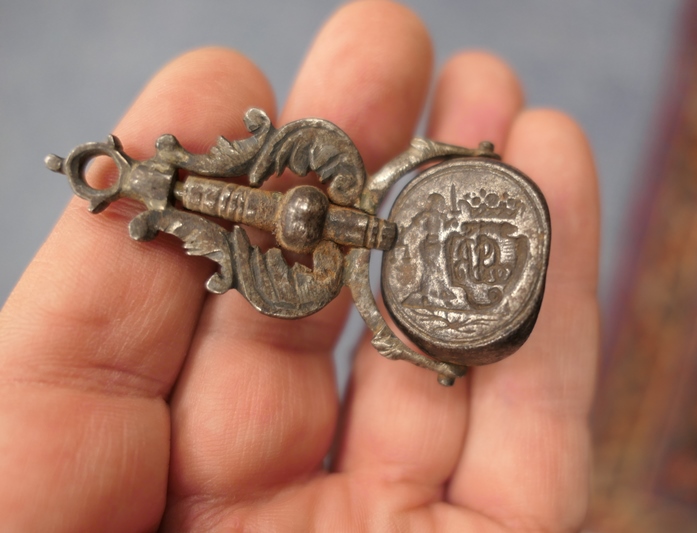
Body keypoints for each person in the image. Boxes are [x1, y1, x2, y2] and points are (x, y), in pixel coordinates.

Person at [0, 0, 599, 530]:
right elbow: (419, 167)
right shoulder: (357, 260)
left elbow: (418, 172)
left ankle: (142, 185)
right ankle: (141, 185)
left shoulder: (371, 272)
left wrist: (436, 356)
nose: (483, 260)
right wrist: (436, 357)